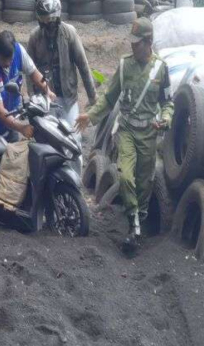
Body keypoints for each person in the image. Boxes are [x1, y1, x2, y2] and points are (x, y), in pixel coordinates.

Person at [75, 17, 174, 251]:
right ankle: (134, 225)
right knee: (126, 177)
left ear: (148, 42)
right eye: (132, 41)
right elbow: (109, 99)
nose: (132, 46)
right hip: (127, 130)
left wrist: (166, 119)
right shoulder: (124, 66)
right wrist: (90, 116)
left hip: (149, 133)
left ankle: (141, 219)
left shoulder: (161, 69)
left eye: (137, 42)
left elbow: (168, 102)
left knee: (144, 182)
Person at [27, 0, 97, 130]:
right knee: (48, 138)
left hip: (68, 97)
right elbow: (29, 69)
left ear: (57, 16)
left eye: (49, 19)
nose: (47, 23)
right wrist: (32, 97)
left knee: (73, 136)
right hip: (45, 98)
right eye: (43, 18)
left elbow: (83, 65)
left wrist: (92, 96)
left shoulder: (69, 33)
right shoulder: (34, 37)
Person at [0, 30, 55, 142]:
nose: (8, 63)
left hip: (10, 123)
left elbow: (34, 73)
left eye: (10, 59)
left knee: (13, 156)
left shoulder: (18, 50)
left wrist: (47, 91)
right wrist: (22, 128)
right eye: (3, 60)